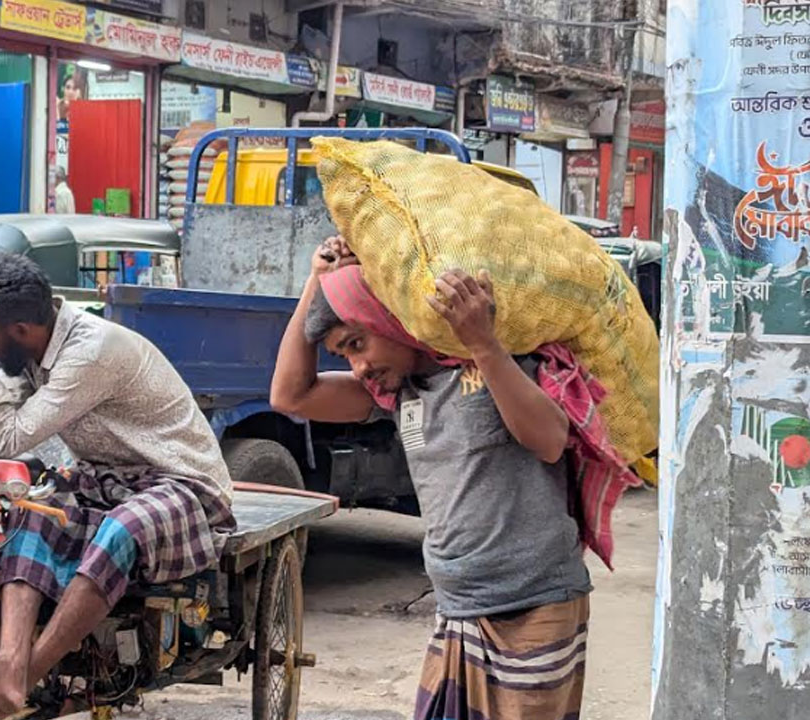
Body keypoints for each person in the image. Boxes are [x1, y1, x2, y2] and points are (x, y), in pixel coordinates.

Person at [270, 237, 638, 720]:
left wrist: (483, 344)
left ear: (388, 319)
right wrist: (315, 283)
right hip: (457, 614)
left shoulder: (499, 361)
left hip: (533, 611)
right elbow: (290, 396)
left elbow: (550, 440)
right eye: (345, 356)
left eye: (358, 344)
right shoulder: (400, 395)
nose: (359, 368)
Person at [0, 252, 235, 719]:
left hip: (182, 482)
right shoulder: (34, 348)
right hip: (105, 479)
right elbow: (10, 414)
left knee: (119, 532)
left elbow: (11, 436)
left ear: (19, 329)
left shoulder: (90, 351)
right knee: (27, 511)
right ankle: (11, 661)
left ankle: (25, 677)